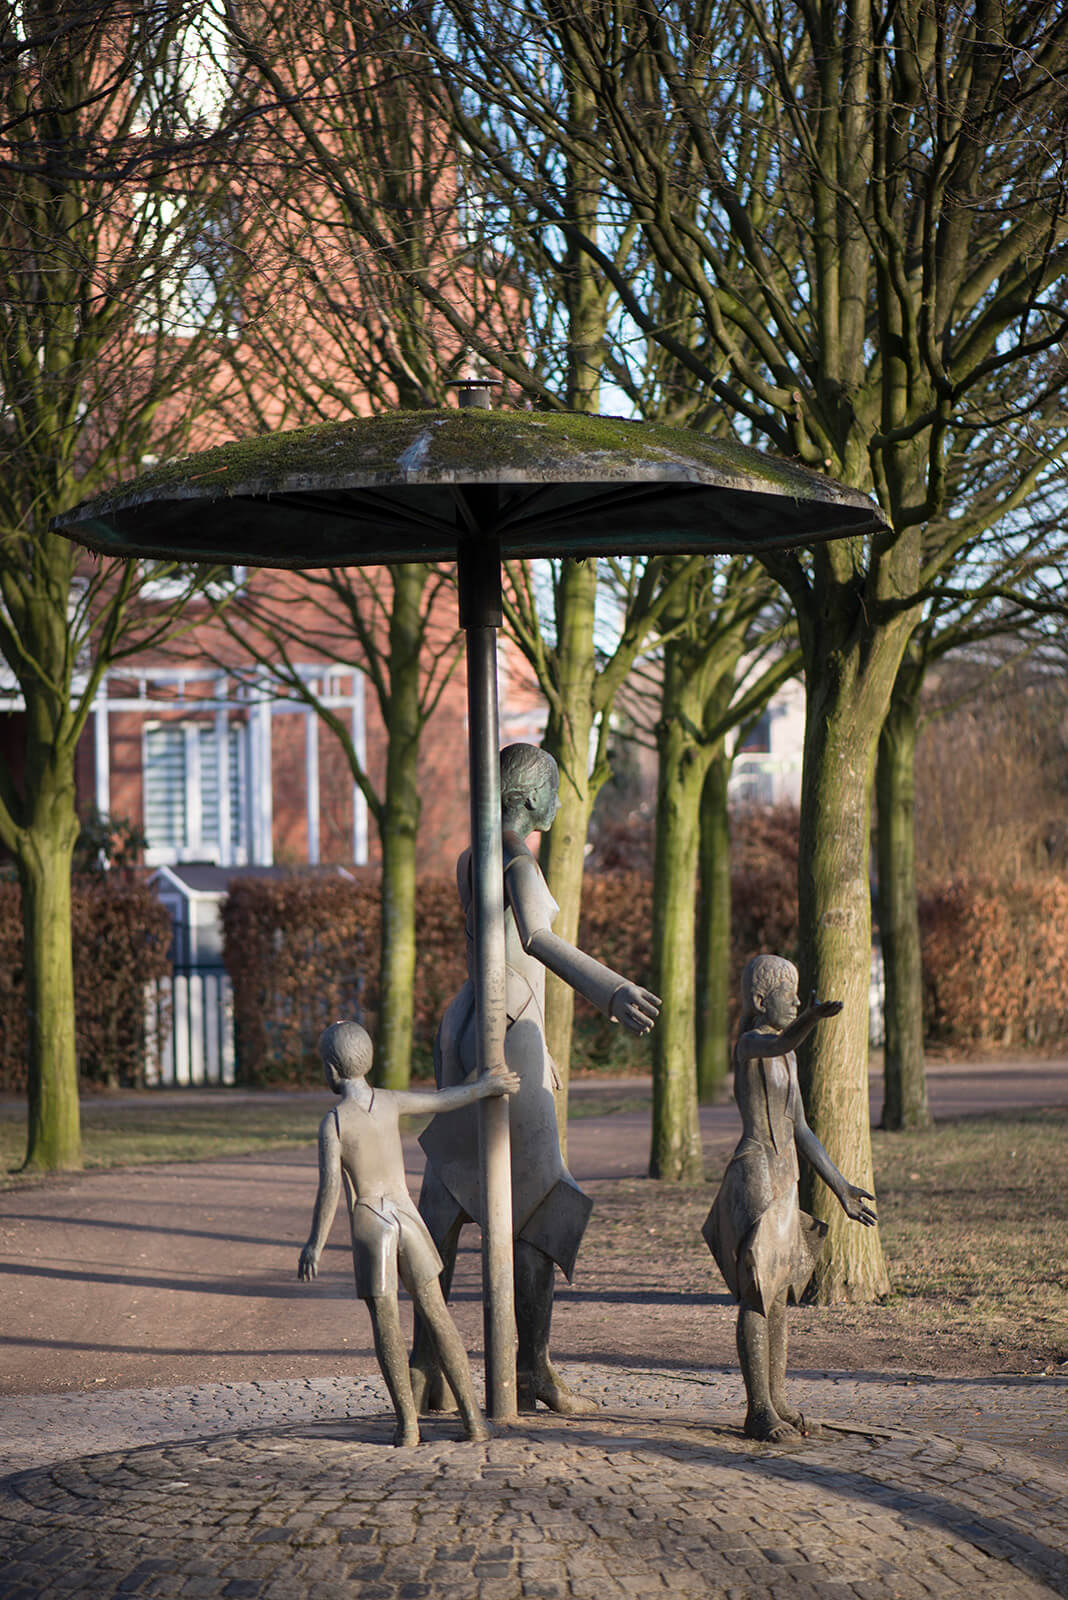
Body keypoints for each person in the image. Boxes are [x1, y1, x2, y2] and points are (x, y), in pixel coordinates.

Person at [413, 743, 660, 1415]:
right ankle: (532, 1369)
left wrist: (541, 1045)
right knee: (543, 1201)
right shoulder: (517, 861)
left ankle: (423, 1366)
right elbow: (534, 942)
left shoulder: (471, 858)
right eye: (552, 792)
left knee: (445, 1195)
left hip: (472, 1025)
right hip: (507, 1033)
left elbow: (491, 956)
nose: (558, 805)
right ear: (527, 800)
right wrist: (608, 990)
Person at [298, 1019, 519, 1447]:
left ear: (331, 1070)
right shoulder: (389, 1102)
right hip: (407, 1217)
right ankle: (473, 1420)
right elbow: (440, 1100)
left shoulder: (334, 1123)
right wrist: (486, 1087)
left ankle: (408, 1426)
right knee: (439, 1317)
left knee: (387, 1326)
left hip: (370, 1222)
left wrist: (314, 1244)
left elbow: (328, 1190)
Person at [703, 954, 877, 1442]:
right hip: (755, 1176)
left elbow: (801, 1127)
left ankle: (777, 1400)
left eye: (801, 995)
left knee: (779, 1296)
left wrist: (840, 1186)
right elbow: (781, 1037)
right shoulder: (752, 1044)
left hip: (786, 1177)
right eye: (790, 993)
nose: (798, 1000)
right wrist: (812, 1020)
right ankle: (757, 1410)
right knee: (758, 1294)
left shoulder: (789, 1054)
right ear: (761, 1001)